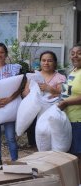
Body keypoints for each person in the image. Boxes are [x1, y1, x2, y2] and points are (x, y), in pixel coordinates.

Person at [22, 51, 65, 147]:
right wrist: (33, 92)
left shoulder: (60, 77)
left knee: (49, 139)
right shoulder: (33, 76)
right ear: (40, 62)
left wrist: (49, 88)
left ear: (55, 62)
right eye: (43, 60)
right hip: (33, 113)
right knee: (35, 142)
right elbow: (25, 93)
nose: (46, 63)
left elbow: (62, 94)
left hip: (50, 115)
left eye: (49, 61)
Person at [58, 43, 81, 179]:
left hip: (79, 120)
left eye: (79, 53)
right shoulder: (73, 71)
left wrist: (65, 102)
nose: (75, 56)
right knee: (72, 153)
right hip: (69, 119)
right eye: (73, 53)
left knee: (78, 154)